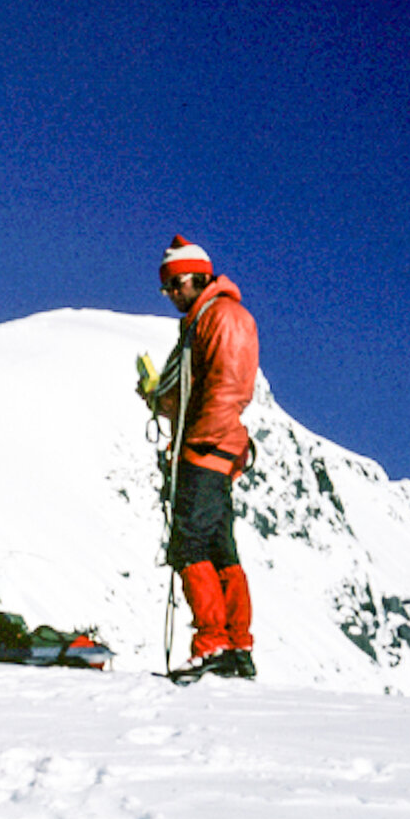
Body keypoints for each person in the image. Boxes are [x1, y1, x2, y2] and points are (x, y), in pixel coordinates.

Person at [145, 235, 260, 681]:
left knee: (190, 543)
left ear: (196, 277)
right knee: (219, 547)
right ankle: (236, 645)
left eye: (175, 285)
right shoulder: (206, 319)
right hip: (216, 448)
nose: (171, 295)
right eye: (167, 287)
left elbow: (227, 388)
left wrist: (195, 445)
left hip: (206, 449)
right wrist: (160, 399)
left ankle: (214, 643)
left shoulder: (222, 317)